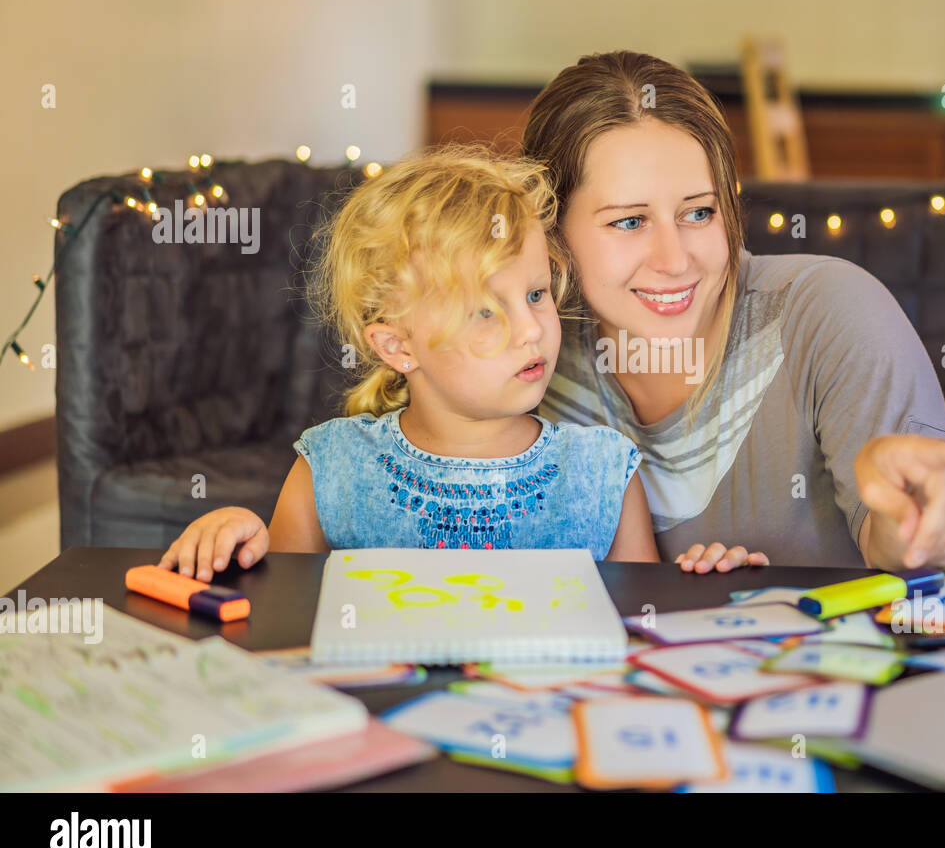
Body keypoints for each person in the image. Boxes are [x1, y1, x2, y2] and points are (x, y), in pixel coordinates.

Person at [523, 51, 945, 575]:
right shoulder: (534, 350)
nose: (676, 258)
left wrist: (909, 521)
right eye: (629, 222)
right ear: (550, 229)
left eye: (700, 212)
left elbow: (926, 565)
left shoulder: (827, 311)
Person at [157, 147, 767, 581]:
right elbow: (287, 625)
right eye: (484, 312)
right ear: (397, 346)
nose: (531, 329)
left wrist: (704, 588)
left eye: (534, 295)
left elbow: (641, 634)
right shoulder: (328, 471)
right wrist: (240, 543)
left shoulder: (604, 475)